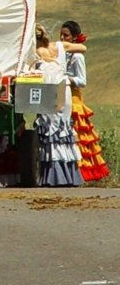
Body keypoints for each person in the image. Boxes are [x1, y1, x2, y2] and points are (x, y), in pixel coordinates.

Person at [34, 24, 85, 187]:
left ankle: (54, 174)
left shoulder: (35, 52)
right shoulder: (60, 46)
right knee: (62, 128)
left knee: (50, 128)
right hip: (64, 89)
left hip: (49, 89)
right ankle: (69, 174)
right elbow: (83, 47)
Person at [60, 21, 110, 182]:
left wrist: (66, 78)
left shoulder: (77, 57)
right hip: (61, 98)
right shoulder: (62, 54)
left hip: (74, 99)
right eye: (61, 34)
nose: (62, 37)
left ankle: (81, 173)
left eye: (66, 35)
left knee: (77, 138)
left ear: (74, 37)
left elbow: (82, 80)